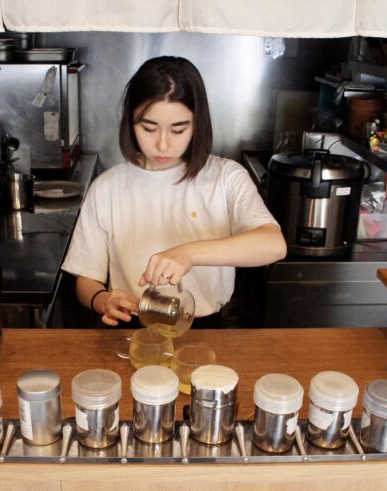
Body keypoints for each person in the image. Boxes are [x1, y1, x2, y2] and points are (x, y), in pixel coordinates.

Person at [61, 56, 286, 327]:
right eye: (148, 128)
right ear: (130, 122)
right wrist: (102, 299)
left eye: (178, 130)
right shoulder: (107, 188)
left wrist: (188, 254)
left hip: (207, 329)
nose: (162, 144)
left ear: (197, 124)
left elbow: (274, 245)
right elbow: (86, 278)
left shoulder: (226, 177)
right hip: (132, 328)